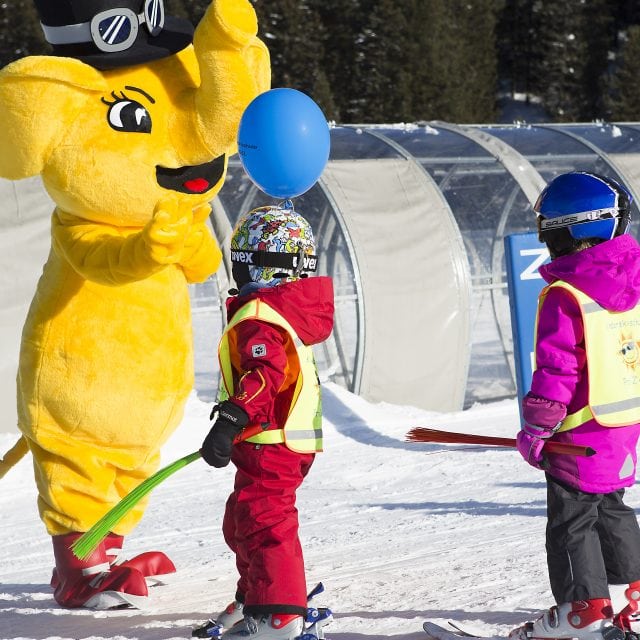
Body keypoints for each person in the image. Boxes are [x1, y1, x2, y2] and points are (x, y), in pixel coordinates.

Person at [193, 203, 335, 640]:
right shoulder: (281, 312)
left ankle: (278, 613)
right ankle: (258, 594)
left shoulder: (259, 316)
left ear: (254, 263)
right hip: (275, 441)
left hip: (269, 440)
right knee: (243, 518)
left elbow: (265, 374)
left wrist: (232, 418)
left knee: (264, 519)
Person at [510, 172, 640, 640]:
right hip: (623, 424)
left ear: (565, 231)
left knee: (572, 520)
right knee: (614, 508)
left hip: (577, 434)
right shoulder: (634, 279)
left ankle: (581, 610)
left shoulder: (566, 295)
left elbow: (556, 373)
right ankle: (634, 600)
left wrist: (537, 431)